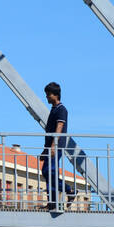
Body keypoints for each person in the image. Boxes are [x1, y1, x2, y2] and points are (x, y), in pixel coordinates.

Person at [39, 82, 68, 210]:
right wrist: (45, 149)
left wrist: (53, 146)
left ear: (55, 95)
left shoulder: (61, 110)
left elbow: (59, 127)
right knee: (48, 173)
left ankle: (69, 190)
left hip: (56, 146)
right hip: (50, 147)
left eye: (48, 95)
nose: (46, 97)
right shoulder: (54, 109)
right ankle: (52, 202)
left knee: (48, 172)